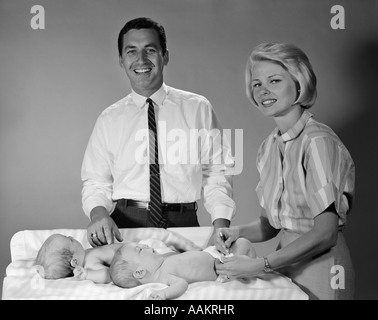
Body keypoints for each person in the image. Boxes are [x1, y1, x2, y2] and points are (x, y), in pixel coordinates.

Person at [214, 43, 355, 300]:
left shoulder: (318, 141)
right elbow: (270, 226)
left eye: (274, 80)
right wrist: (237, 232)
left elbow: (325, 233)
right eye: (256, 84)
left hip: (322, 267)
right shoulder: (268, 146)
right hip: (284, 264)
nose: (263, 90)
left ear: (299, 84)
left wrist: (260, 265)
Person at [81, 17, 235, 247]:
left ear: (165, 56)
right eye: (131, 51)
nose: (141, 59)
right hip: (123, 227)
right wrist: (99, 215)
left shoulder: (198, 108)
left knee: (186, 282)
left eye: (150, 50)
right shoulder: (109, 119)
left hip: (183, 224)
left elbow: (217, 173)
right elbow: (95, 182)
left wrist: (221, 223)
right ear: (121, 61)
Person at [109, 238, 256, 300]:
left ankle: (250, 264)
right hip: (222, 270)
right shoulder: (164, 275)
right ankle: (252, 268)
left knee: (240, 243)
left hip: (212, 255)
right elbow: (181, 284)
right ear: (140, 272)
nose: (146, 245)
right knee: (244, 244)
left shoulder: (163, 261)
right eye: (140, 250)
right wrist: (164, 294)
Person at [34, 231, 200, 282]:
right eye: (69, 240)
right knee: (170, 256)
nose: (72, 237)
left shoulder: (86, 254)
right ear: (74, 261)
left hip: (140, 248)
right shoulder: (90, 263)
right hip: (142, 256)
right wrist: (88, 275)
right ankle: (198, 254)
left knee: (167, 243)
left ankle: (194, 252)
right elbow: (108, 275)